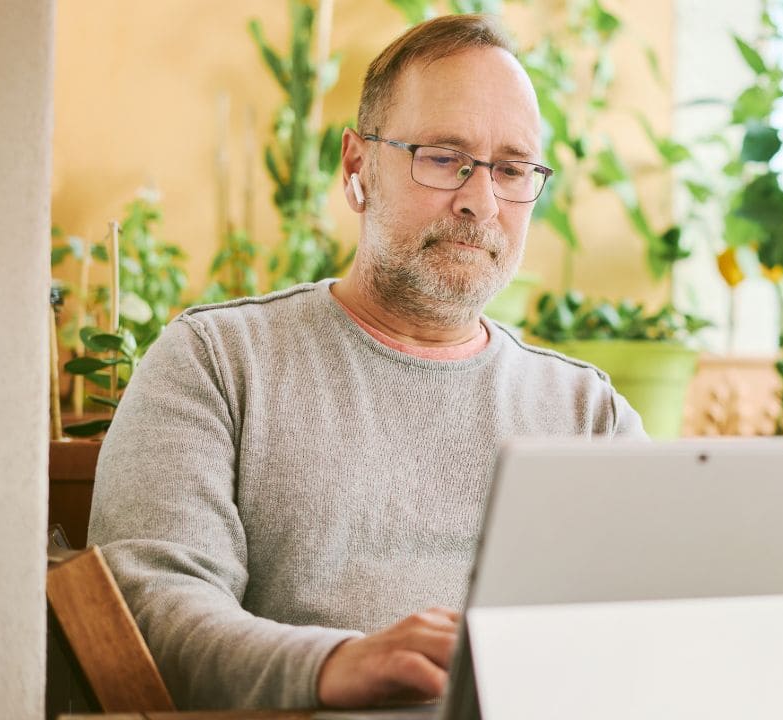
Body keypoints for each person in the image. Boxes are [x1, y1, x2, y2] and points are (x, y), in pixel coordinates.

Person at [88, 13, 645, 711]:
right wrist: (337, 664)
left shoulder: (587, 414)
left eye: (511, 168)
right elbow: (150, 614)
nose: (481, 201)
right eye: (443, 157)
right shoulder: (217, 363)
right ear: (358, 166)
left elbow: (653, 635)